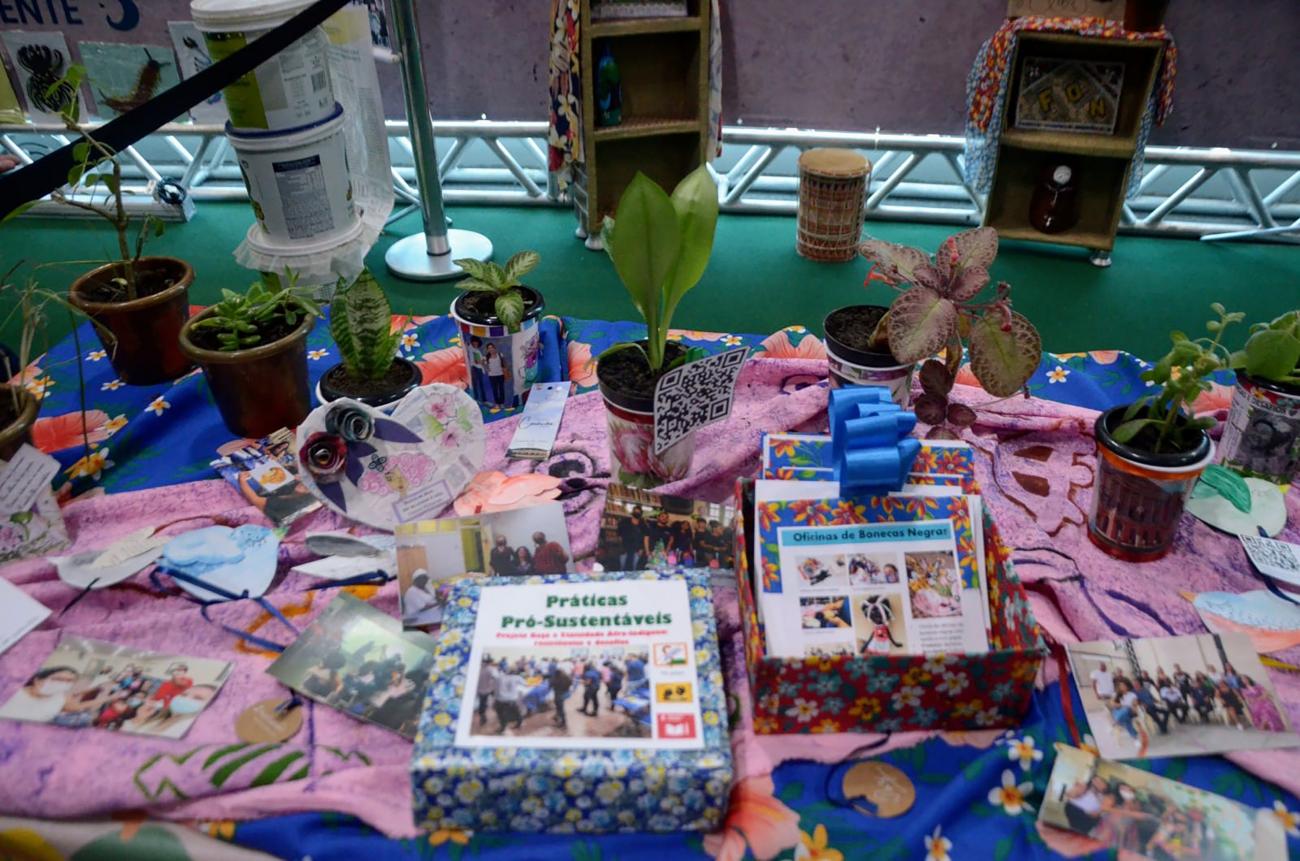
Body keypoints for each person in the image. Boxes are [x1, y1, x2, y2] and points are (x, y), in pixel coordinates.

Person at [5, 666, 79, 722]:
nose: (63, 684)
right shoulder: (11, 693)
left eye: (69, 681)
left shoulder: (60, 698)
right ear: (37, 680)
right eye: (58, 679)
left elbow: (73, 708)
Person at [1110, 679, 1143, 750]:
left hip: (1129, 712)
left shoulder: (1132, 695)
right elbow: (1112, 704)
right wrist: (1124, 705)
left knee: (1126, 710)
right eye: (1120, 686)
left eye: (1124, 685)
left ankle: (1115, 723)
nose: (1122, 687)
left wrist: (1130, 707)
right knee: (1126, 719)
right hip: (1118, 712)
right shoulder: (1116, 694)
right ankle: (1135, 738)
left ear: (1127, 686)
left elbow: (1134, 705)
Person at [493, 663, 525, 732]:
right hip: (511, 699)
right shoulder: (517, 677)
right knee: (517, 712)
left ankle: (503, 727)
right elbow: (525, 683)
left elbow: (495, 687)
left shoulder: (499, 677)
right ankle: (519, 724)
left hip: (500, 699)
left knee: (501, 714)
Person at [618, 506, 648, 570]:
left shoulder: (643, 525)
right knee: (622, 568)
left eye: (638, 512)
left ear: (641, 514)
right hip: (625, 548)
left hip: (637, 550)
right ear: (632, 512)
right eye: (635, 512)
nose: (637, 513)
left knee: (634, 568)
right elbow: (619, 535)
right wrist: (621, 546)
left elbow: (645, 538)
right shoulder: (624, 521)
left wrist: (642, 548)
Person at [549, 661, 572, 729]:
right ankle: (557, 716)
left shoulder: (555, 679)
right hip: (564, 693)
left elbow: (550, 685)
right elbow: (570, 683)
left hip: (558, 695)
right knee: (560, 707)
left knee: (560, 708)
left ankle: (563, 722)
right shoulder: (567, 677)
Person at [468, 337, 488, 402]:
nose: (475, 343)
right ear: (472, 342)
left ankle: (484, 400)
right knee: (476, 385)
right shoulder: (470, 349)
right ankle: (477, 400)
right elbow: (476, 361)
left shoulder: (478, 350)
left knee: (481, 385)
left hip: (480, 369)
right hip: (475, 368)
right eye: (474, 342)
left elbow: (482, 362)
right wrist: (482, 361)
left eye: (477, 342)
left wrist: (483, 361)